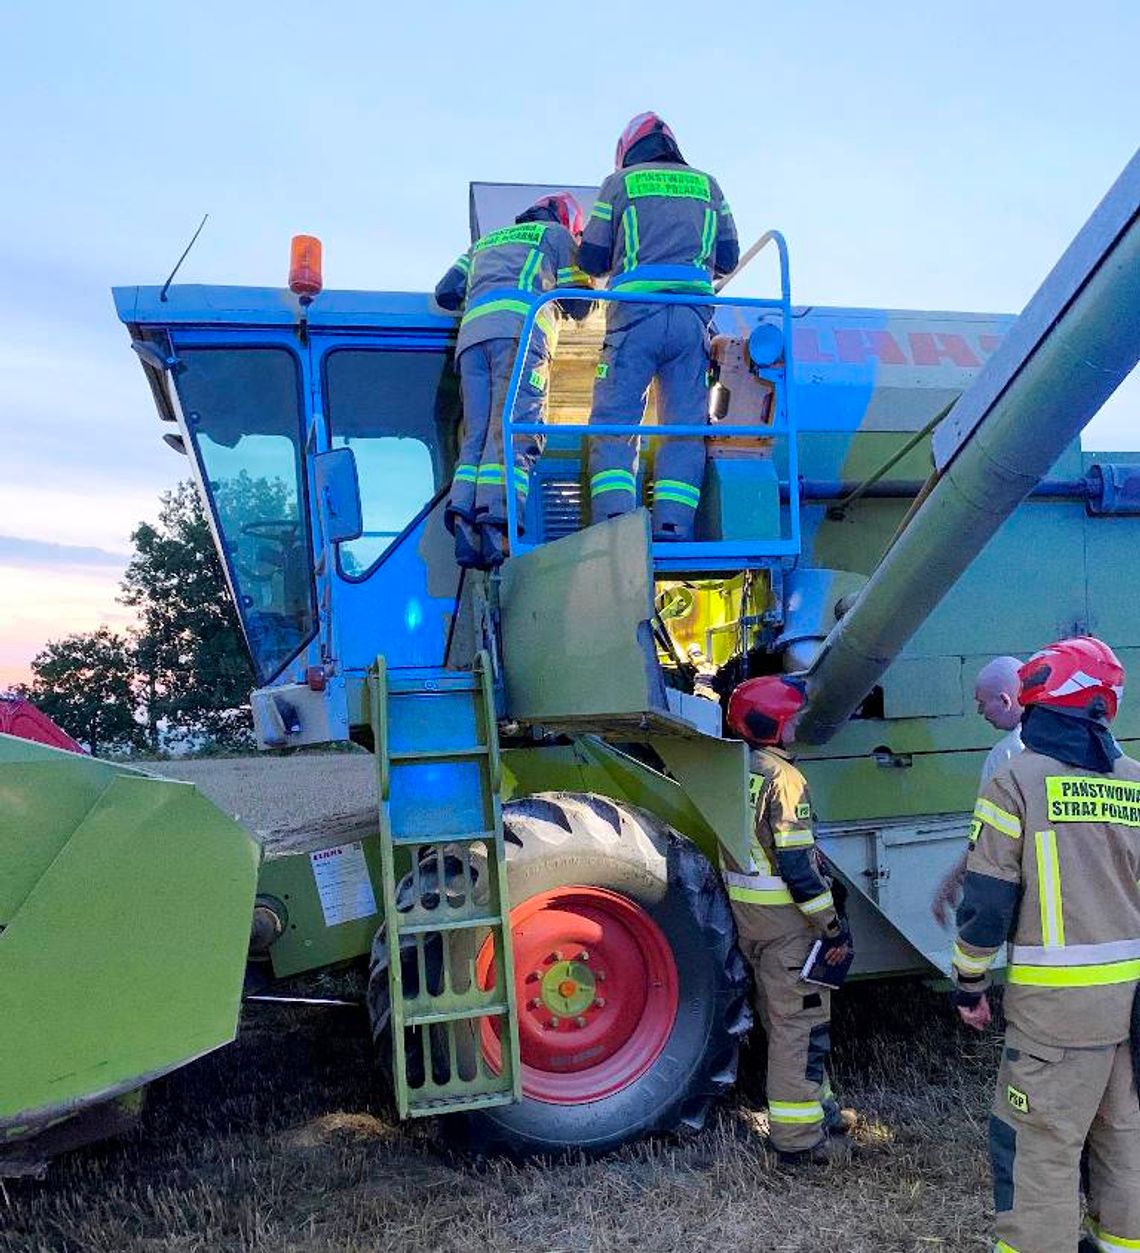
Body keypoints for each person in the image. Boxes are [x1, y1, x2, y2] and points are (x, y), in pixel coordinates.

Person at [951, 636, 1140, 1253]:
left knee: (1037, 1149)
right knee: (1124, 1143)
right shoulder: (1135, 783)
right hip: (1131, 1009)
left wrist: (970, 984)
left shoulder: (1016, 782)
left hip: (1055, 1020)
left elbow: (985, 905)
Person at [578, 112, 739, 541]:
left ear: (626, 151)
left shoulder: (619, 184)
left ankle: (615, 528)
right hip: (692, 324)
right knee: (683, 426)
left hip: (634, 319)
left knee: (615, 422)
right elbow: (728, 256)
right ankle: (672, 526)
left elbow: (591, 259)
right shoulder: (708, 185)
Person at [724, 674, 857, 1165]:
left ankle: (821, 1108)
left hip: (751, 921)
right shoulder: (785, 779)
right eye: (792, 715)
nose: (799, 721)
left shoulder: (736, 769)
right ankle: (799, 1140)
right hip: (787, 926)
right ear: (774, 722)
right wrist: (832, 926)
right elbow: (799, 869)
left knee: (788, 1020)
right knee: (798, 1026)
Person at [435, 192, 592, 569]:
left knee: (476, 436)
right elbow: (580, 302)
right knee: (513, 433)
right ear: (568, 222)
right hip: (519, 336)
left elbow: (445, 292)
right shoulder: (555, 236)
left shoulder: (484, 243)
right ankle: (497, 525)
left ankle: (463, 521)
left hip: (472, 343)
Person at [931, 656, 1024, 925]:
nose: (981, 713)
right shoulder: (1093, 744)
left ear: (1006, 701)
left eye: (982, 704)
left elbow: (985, 833)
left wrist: (953, 879)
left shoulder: (1006, 753)